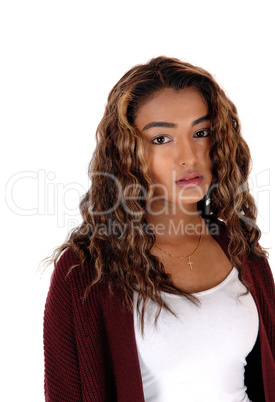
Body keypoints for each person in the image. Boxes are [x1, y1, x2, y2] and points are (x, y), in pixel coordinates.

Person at [42, 56, 275, 402]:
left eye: (201, 133)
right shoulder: (85, 271)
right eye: (162, 139)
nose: (188, 156)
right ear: (126, 153)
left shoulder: (242, 249)